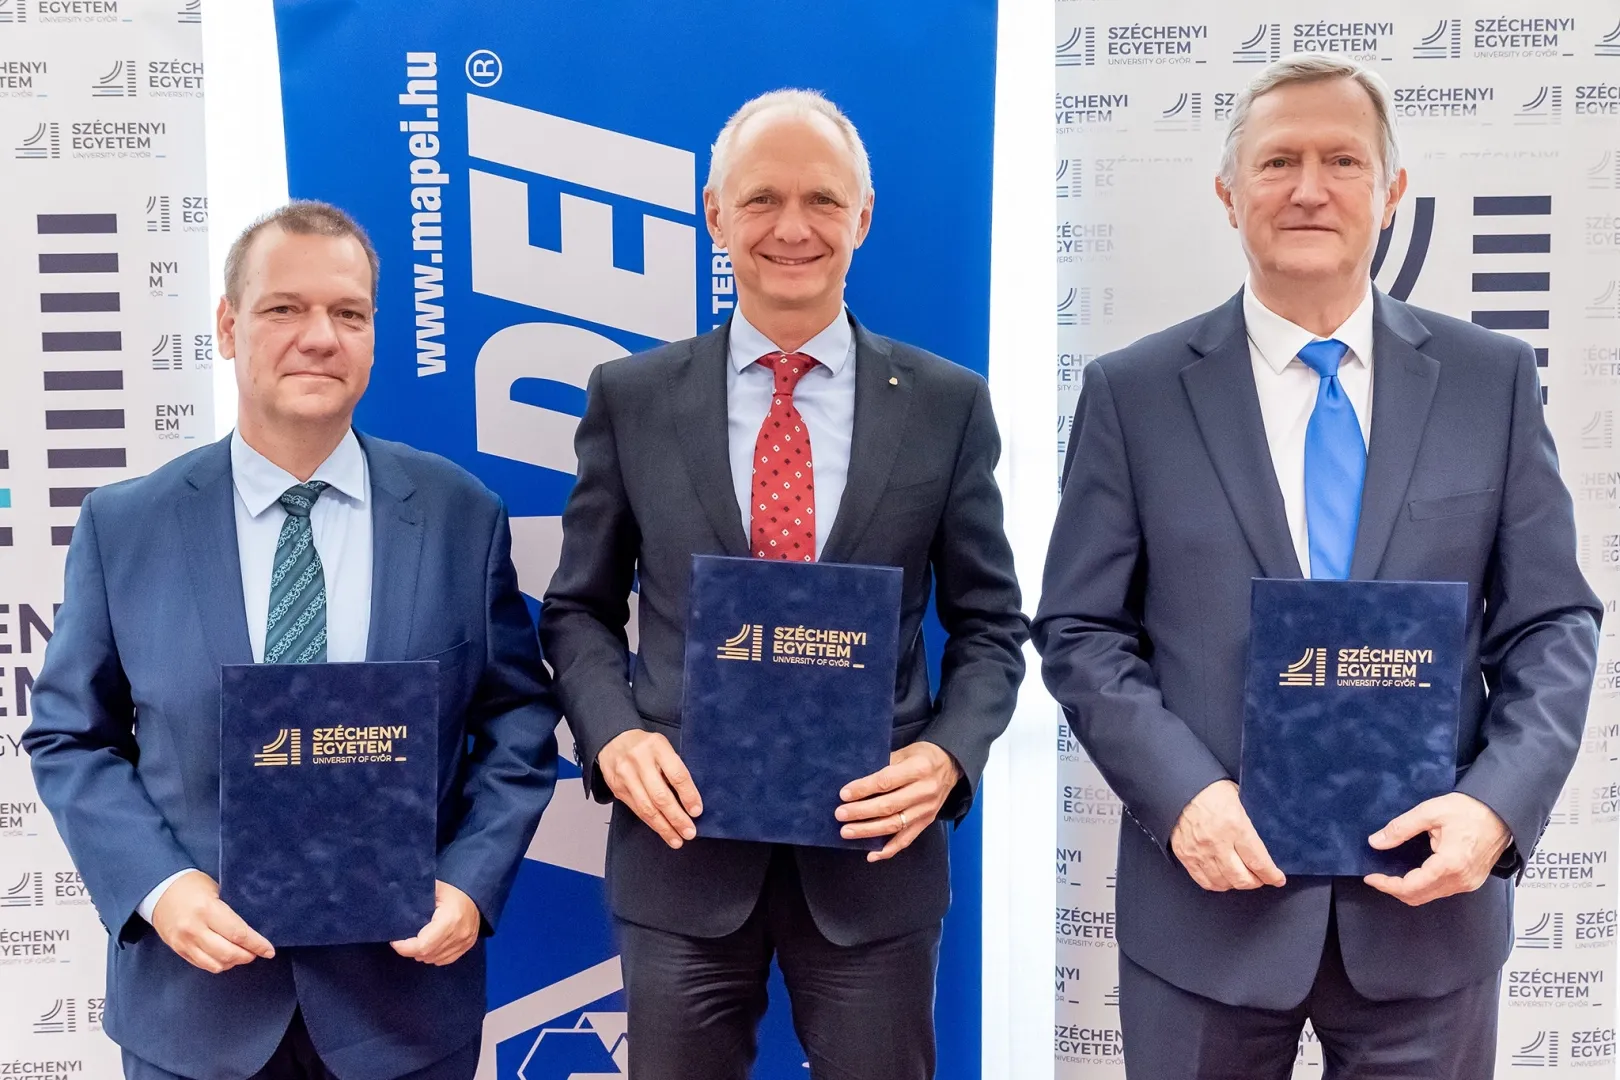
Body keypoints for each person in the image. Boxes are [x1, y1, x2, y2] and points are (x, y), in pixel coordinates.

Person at [1033, 55, 1601, 1079]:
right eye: (1277, 161)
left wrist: (1496, 808)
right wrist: (1186, 798)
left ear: (1391, 192)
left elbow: (1551, 624)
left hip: (1430, 911)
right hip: (1204, 912)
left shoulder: (1492, 382)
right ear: (1228, 192)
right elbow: (1082, 631)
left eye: (1343, 160)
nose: (1308, 188)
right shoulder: (1136, 393)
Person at [540, 89, 1027, 1079]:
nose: (793, 228)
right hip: (683, 854)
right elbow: (578, 611)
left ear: (864, 216)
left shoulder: (946, 406)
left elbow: (989, 626)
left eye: (821, 200)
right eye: (762, 200)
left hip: (875, 860)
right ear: (715, 215)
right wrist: (617, 736)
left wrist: (946, 760)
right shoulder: (630, 399)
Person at [24, 201, 560, 1080]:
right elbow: (68, 735)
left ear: (374, 335)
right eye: (284, 309)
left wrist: (470, 881)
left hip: (404, 1008)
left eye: (348, 314)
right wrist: (162, 890)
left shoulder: (461, 516)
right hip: (194, 1012)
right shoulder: (127, 525)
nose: (320, 337)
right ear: (230, 327)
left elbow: (518, 720)